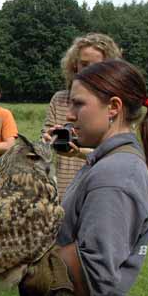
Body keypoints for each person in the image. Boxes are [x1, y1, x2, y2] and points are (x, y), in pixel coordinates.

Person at [23, 59, 148, 296]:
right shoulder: (108, 161)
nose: (69, 115)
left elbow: (92, 274)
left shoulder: (114, 176)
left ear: (113, 107)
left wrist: (14, 261)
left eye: (78, 104)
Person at [42, 33, 122, 200]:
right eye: (84, 64)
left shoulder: (114, 105)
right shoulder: (60, 100)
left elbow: (119, 155)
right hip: (60, 192)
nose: (89, 71)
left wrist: (78, 153)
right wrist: (49, 140)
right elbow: (44, 147)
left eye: (97, 66)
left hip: (99, 190)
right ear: (74, 66)